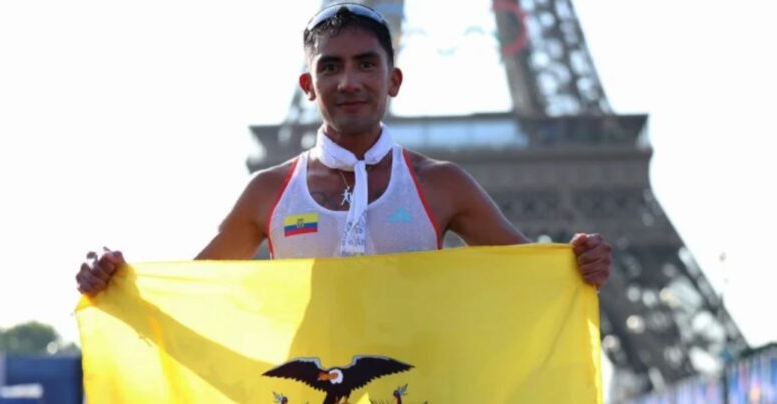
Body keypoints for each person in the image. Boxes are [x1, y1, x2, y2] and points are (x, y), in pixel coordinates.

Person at [76, 3, 612, 295]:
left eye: (366, 64)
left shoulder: (442, 185)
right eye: (330, 66)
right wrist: (117, 284)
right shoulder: (268, 192)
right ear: (308, 86)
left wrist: (580, 262)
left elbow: (538, 278)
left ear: (394, 79)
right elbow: (189, 293)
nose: (349, 81)